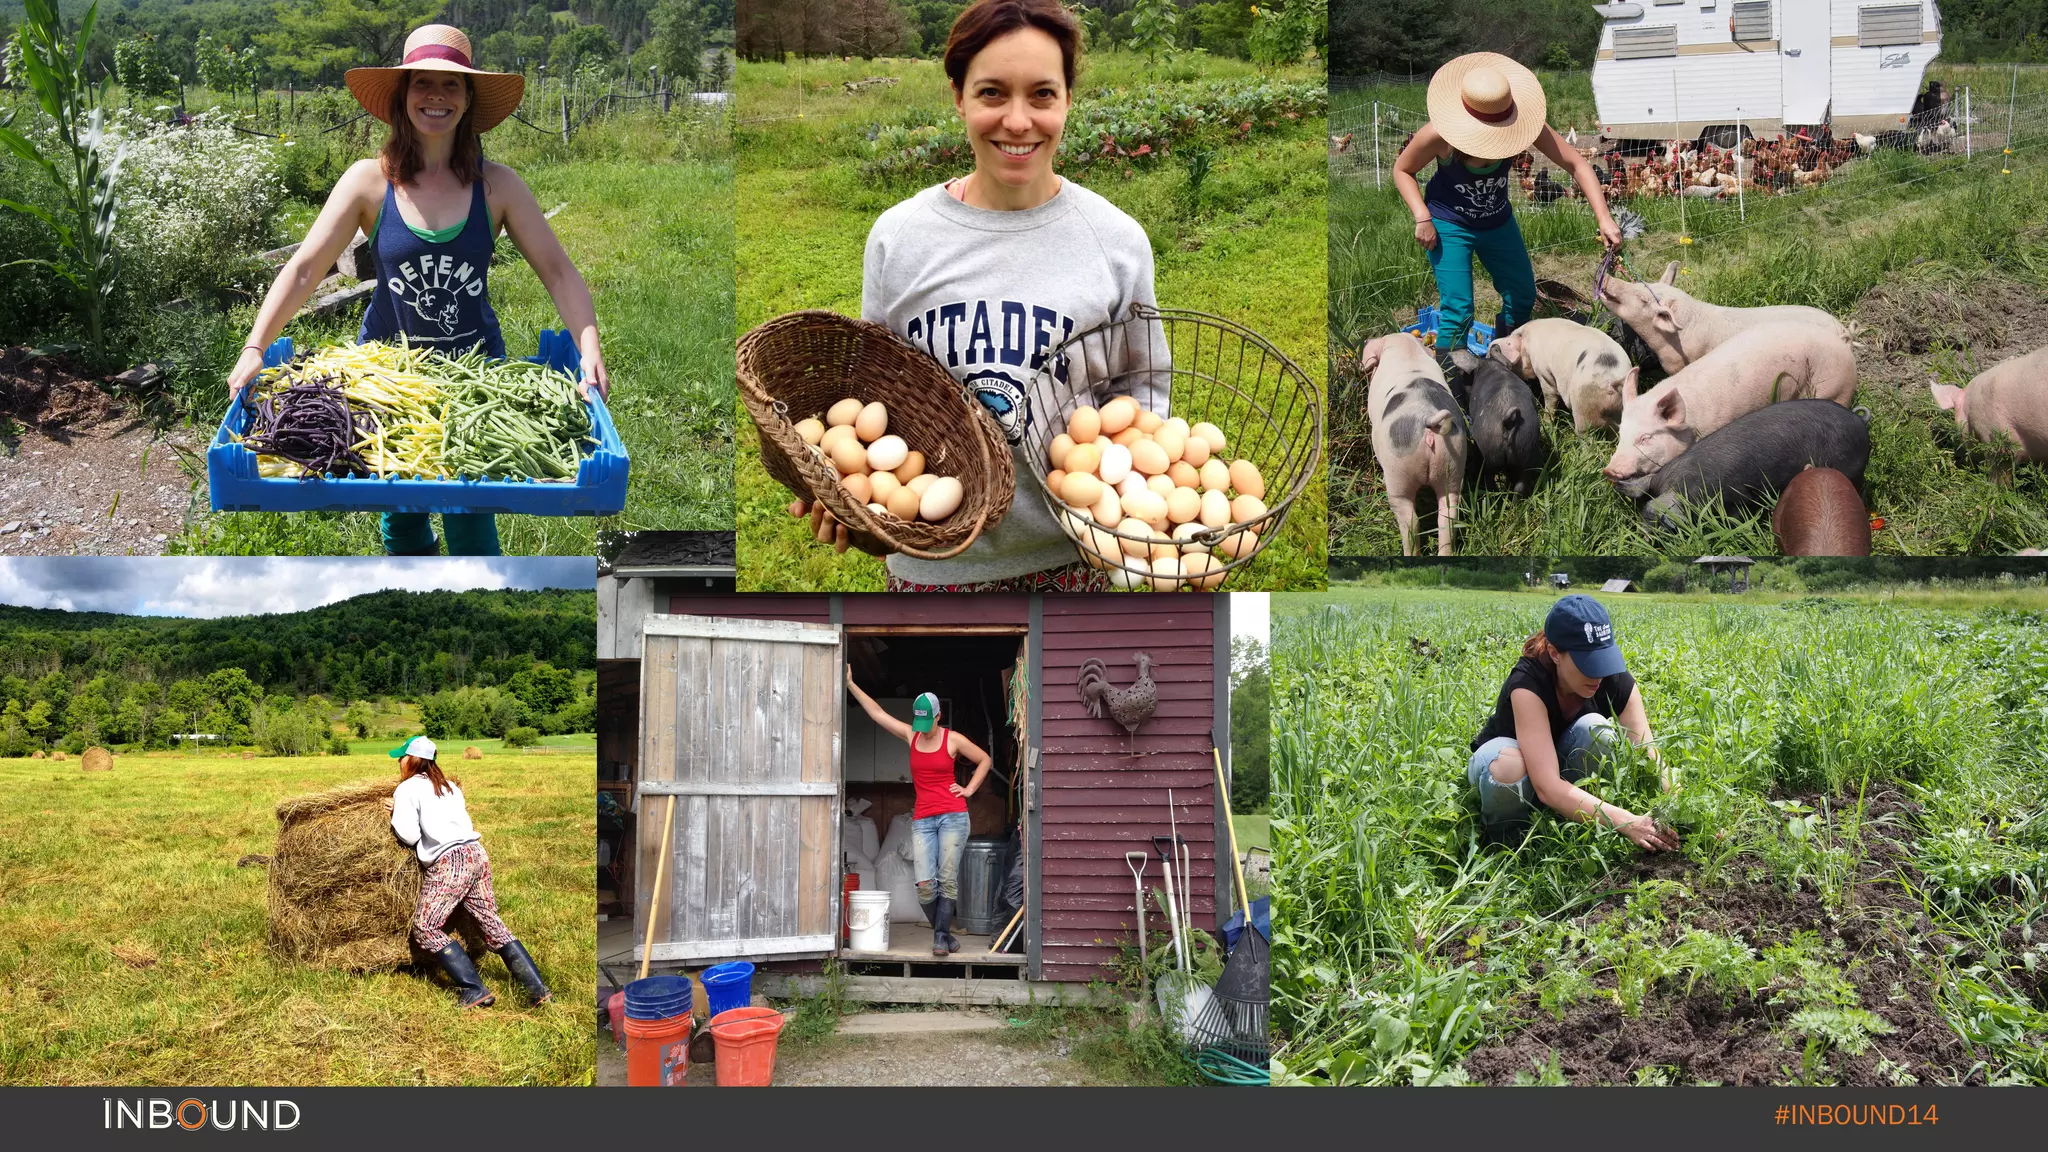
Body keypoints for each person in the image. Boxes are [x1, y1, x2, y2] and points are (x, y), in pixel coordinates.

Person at [789, 0, 1165, 590]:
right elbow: (869, 405)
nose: (1018, 121)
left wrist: (1142, 508)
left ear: (1068, 99)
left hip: (1073, 555)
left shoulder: (1116, 243)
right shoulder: (900, 238)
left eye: (1042, 94)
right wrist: (847, 490)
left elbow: (1143, 389)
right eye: (992, 93)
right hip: (930, 565)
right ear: (958, 96)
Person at [227, 24, 610, 557]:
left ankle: (476, 612)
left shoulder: (498, 186)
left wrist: (589, 347)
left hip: (475, 378)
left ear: (469, 99)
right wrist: (254, 347)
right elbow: (304, 269)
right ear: (403, 95)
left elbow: (559, 272)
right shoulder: (368, 181)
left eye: (452, 85)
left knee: (471, 520)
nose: (436, 95)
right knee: (402, 522)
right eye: (422, 82)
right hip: (386, 373)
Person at [1392, 53, 1625, 392]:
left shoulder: (1522, 125)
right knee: (1458, 309)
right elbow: (1403, 170)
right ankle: (1454, 393)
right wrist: (1422, 216)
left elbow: (1576, 163)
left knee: (1521, 294)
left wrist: (1604, 217)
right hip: (1449, 225)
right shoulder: (1439, 135)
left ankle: (1507, 367)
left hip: (1497, 222)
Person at [1467, 595, 1678, 851]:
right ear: (1556, 654)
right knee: (1510, 765)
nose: (1598, 674)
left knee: (1596, 728)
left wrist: (1682, 808)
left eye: (1603, 660)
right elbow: (1547, 786)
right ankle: (1508, 843)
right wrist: (1625, 821)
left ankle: (1568, 823)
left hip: (1555, 773)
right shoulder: (1528, 684)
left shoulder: (1612, 679)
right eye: (1587, 664)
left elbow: (1650, 754)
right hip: (1503, 766)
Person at [386, 735, 552, 1007]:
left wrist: (396, 813)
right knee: (490, 922)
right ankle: (538, 990)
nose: (399, 762)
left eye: (401, 757)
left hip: (451, 861)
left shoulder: (406, 789)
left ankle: (474, 990)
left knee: (425, 927)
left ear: (412, 759)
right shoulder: (450, 786)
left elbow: (409, 835)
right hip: (477, 855)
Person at [845, 669, 995, 954]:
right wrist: (851, 684)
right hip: (923, 818)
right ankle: (946, 936)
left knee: (947, 879)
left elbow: (984, 759)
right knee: (925, 884)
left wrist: (970, 789)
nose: (923, 726)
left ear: (938, 716)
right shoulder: (911, 735)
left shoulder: (953, 740)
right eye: (920, 720)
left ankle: (939, 939)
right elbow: (877, 713)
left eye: (929, 721)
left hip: (953, 816)